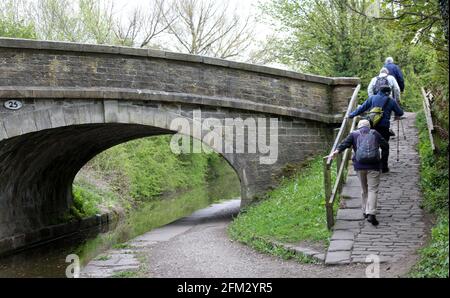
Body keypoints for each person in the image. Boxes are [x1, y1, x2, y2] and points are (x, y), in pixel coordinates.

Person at [330, 119, 389, 226]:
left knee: (364, 188)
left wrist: (337, 151)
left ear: (359, 126)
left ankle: (364, 211)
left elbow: (344, 144)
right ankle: (371, 213)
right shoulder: (375, 133)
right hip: (374, 166)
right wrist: (383, 162)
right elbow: (385, 146)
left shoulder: (354, 134)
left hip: (359, 166)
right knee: (373, 190)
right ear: (369, 126)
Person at [349, 85, 404, 173]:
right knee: (385, 146)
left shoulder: (372, 98)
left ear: (379, 90)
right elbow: (400, 113)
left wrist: (351, 115)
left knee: (372, 144)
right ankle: (384, 167)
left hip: (372, 126)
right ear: (388, 92)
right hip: (384, 127)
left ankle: (370, 165)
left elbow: (362, 108)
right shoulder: (391, 101)